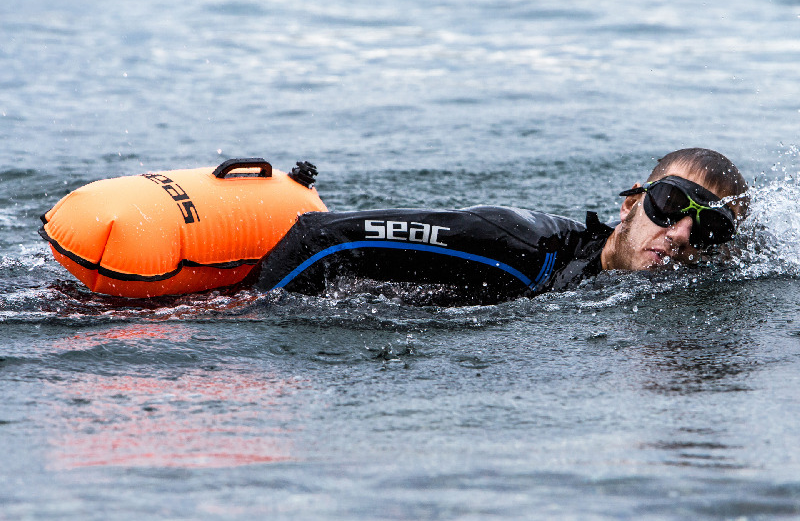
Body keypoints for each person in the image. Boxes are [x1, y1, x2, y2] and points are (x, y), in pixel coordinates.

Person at [258, 148, 749, 305]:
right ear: (629, 206)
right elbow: (320, 238)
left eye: (709, 230)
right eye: (670, 203)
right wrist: (250, 318)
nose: (682, 233)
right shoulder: (516, 247)